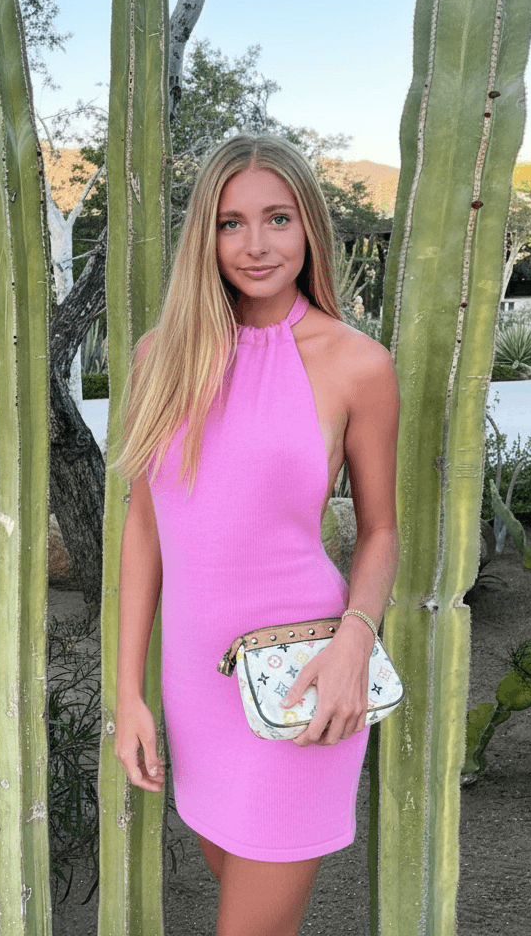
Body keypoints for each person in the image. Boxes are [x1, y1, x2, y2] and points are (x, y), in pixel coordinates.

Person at [109, 133, 400, 936]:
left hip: (302, 676)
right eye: (232, 223)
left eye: (278, 218)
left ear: (309, 227)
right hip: (196, 687)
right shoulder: (158, 358)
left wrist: (353, 646)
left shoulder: (356, 364)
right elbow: (145, 529)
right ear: (205, 235)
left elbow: (379, 533)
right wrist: (127, 692)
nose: (257, 244)